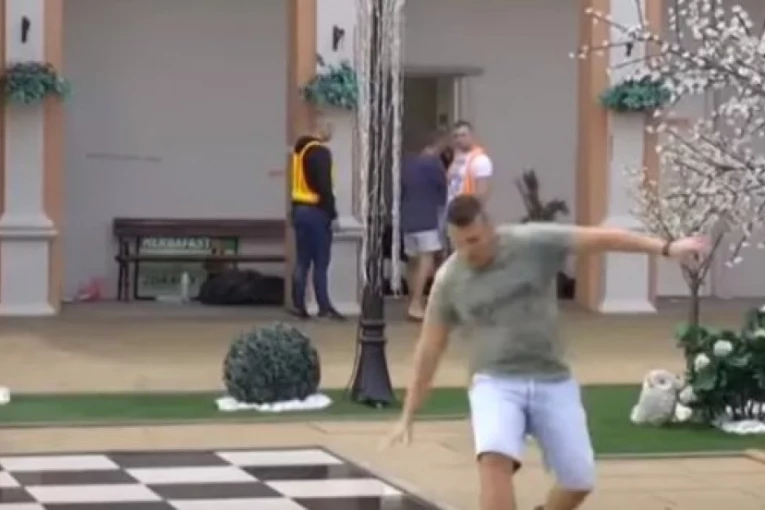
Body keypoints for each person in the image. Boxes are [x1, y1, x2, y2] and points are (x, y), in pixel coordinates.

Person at [382, 195, 708, 510]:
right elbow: (430, 347)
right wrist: (408, 413)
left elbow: (604, 239)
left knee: (579, 479)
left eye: (474, 240)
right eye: (459, 244)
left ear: (491, 229)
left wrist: (665, 248)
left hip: (552, 377)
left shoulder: (533, 242)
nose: (468, 251)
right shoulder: (449, 279)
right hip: (494, 381)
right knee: (494, 459)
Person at [289, 117, 344, 321]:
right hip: (316, 211)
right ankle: (324, 307)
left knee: (302, 261)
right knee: (321, 261)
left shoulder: (299, 151)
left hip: (299, 209)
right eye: (331, 130)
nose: (331, 135)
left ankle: (299, 305)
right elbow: (324, 186)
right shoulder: (320, 152)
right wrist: (333, 213)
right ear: (323, 130)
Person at [400, 131, 448, 320]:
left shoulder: (406, 164)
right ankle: (416, 303)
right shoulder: (434, 164)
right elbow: (443, 193)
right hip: (428, 218)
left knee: (412, 261)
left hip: (408, 219)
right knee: (426, 261)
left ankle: (411, 299)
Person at [447, 120, 492, 204]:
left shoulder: (480, 159)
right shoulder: (455, 157)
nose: (459, 139)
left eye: (463, 135)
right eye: (456, 136)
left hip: (465, 207)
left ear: (471, 136)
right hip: (451, 207)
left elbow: (481, 193)